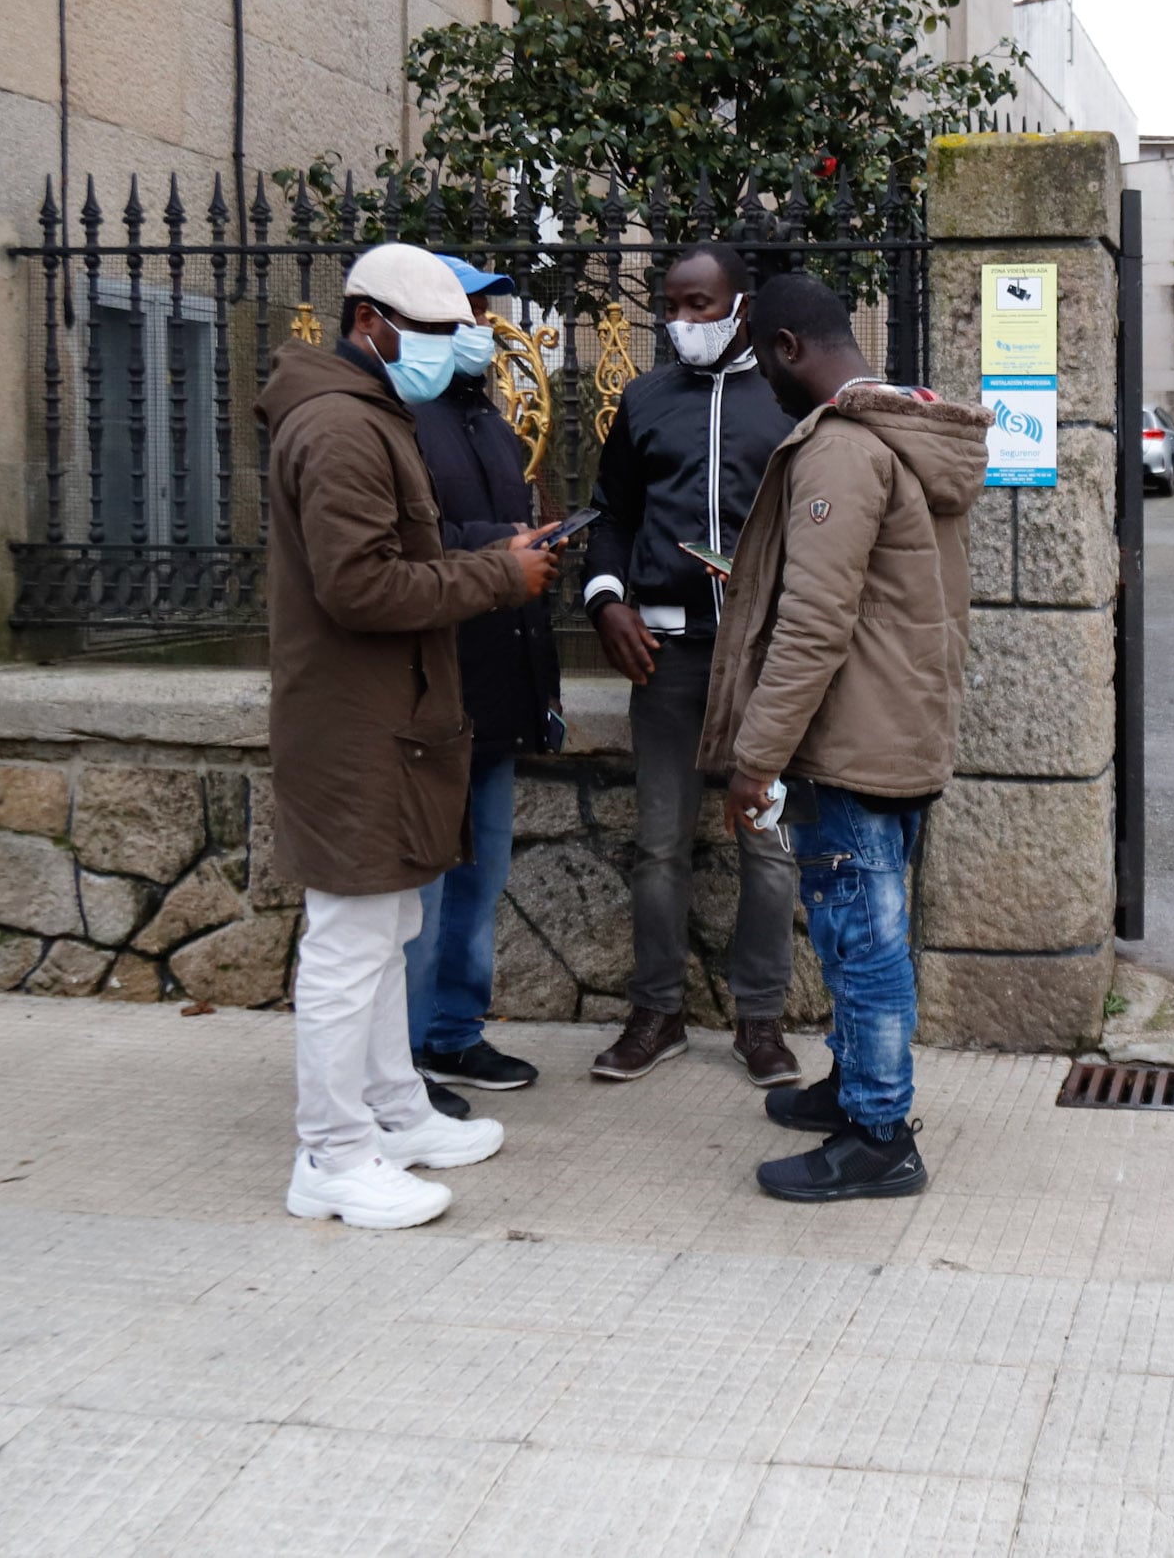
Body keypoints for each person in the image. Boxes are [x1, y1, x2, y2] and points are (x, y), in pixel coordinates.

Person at [256, 242, 563, 1230]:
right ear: (369, 323)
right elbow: (360, 587)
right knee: (350, 943)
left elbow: (392, 563)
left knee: (387, 930)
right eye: (435, 333)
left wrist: (488, 562)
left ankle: (393, 1112)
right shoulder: (342, 429)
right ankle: (332, 1157)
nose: (451, 352)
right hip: (355, 726)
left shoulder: (366, 414)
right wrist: (496, 579)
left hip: (385, 717)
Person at [699, 273, 989, 1201]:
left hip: (854, 746)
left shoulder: (841, 451)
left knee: (862, 946)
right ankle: (853, 1087)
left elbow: (815, 623)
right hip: (899, 731)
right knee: (865, 933)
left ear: (790, 348)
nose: (761, 384)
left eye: (761, 360)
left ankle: (878, 1135)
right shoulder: (908, 435)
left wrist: (756, 757)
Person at [578, 244, 804, 1088]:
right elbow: (610, 516)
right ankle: (658, 1011)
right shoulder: (643, 401)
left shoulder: (786, 403)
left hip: (762, 663)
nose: (684, 322)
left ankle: (761, 1020)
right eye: (672, 306)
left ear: (741, 305)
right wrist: (606, 601)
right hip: (664, 656)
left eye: (700, 305)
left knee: (768, 845)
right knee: (661, 845)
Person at [399, 256, 562, 1100]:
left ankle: (455, 1034)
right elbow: (406, 546)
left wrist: (536, 543)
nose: (483, 327)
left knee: (479, 875)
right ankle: (403, 1054)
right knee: (421, 890)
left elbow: (500, 526)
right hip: (432, 691)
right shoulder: (394, 421)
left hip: (496, 690)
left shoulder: (489, 421)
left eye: (485, 311)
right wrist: (500, 546)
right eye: (466, 312)